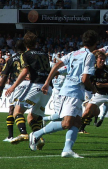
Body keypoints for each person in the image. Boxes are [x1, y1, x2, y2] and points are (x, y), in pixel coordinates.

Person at [29, 30, 98, 158]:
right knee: (66, 123)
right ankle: (36, 134)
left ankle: (67, 150)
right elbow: (84, 79)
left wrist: (47, 82)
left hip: (73, 91)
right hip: (72, 91)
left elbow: (57, 64)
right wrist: (94, 90)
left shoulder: (74, 53)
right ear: (96, 43)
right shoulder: (90, 55)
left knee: (77, 122)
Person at [5, 32, 52, 149]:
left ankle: (23, 133)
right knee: (32, 117)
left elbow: (25, 72)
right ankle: (39, 137)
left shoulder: (25, 54)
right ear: (36, 43)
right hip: (48, 88)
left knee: (17, 111)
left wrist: (13, 86)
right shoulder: (44, 54)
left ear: (25, 44)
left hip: (35, 86)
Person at [0, 40, 28, 142]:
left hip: (18, 85)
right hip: (32, 85)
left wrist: (0, 89)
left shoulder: (11, 60)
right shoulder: (28, 57)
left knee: (12, 109)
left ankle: (12, 135)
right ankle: (37, 134)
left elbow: (4, 76)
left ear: (15, 49)